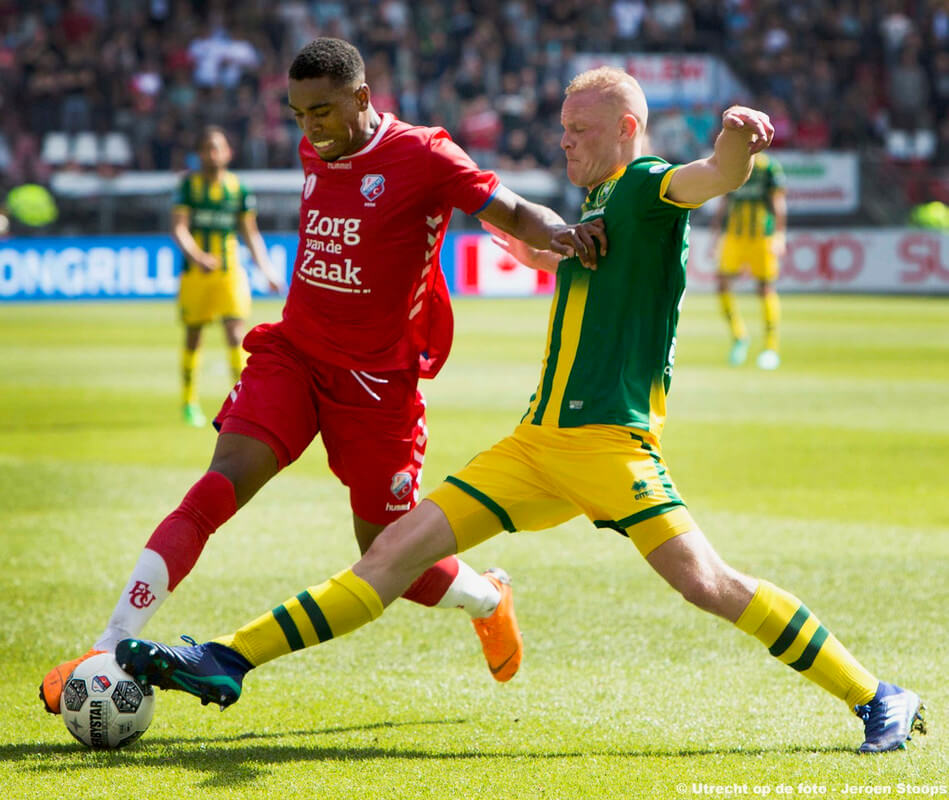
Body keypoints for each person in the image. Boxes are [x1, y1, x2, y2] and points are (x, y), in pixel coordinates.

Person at [115, 67, 924, 754]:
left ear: (625, 128)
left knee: (707, 583)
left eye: (578, 128)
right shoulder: (600, 208)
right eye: (562, 127)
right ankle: (226, 658)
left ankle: (876, 693)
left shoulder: (644, 186)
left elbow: (705, 179)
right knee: (390, 554)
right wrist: (538, 248)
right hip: (535, 445)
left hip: (610, 447)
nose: (562, 140)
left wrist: (735, 148)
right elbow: (570, 255)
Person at [39, 38, 605, 716]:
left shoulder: (424, 154)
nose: (310, 127)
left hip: (376, 386)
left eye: (324, 111)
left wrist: (563, 233)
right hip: (295, 356)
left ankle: (487, 596)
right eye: (299, 113)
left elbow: (512, 210)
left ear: (362, 99)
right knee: (216, 488)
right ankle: (108, 646)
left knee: (385, 551)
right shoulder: (316, 148)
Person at [172, 125, 283, 427]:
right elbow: (179, 228)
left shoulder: (238, 188)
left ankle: (243, 403)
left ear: (228, 153)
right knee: (194, 336)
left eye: (218, 147)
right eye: (207, 148)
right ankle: (189, 402)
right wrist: (198, 256)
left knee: (236, 334)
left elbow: (251, 233)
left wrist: (267, 271)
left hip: (229, 271)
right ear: (199, 154)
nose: (213, 154)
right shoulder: (188, 187)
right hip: (196, 274)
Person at [709, 150, 787, 370]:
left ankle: (771, 348)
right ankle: (739, 336)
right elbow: (724, 202)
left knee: (764, 289)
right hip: (734, 236)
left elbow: (778, 203)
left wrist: (780, 235)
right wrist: (716, 235)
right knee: (721, 284)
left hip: (761, 236)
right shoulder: (733, 164)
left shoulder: (769, 168)